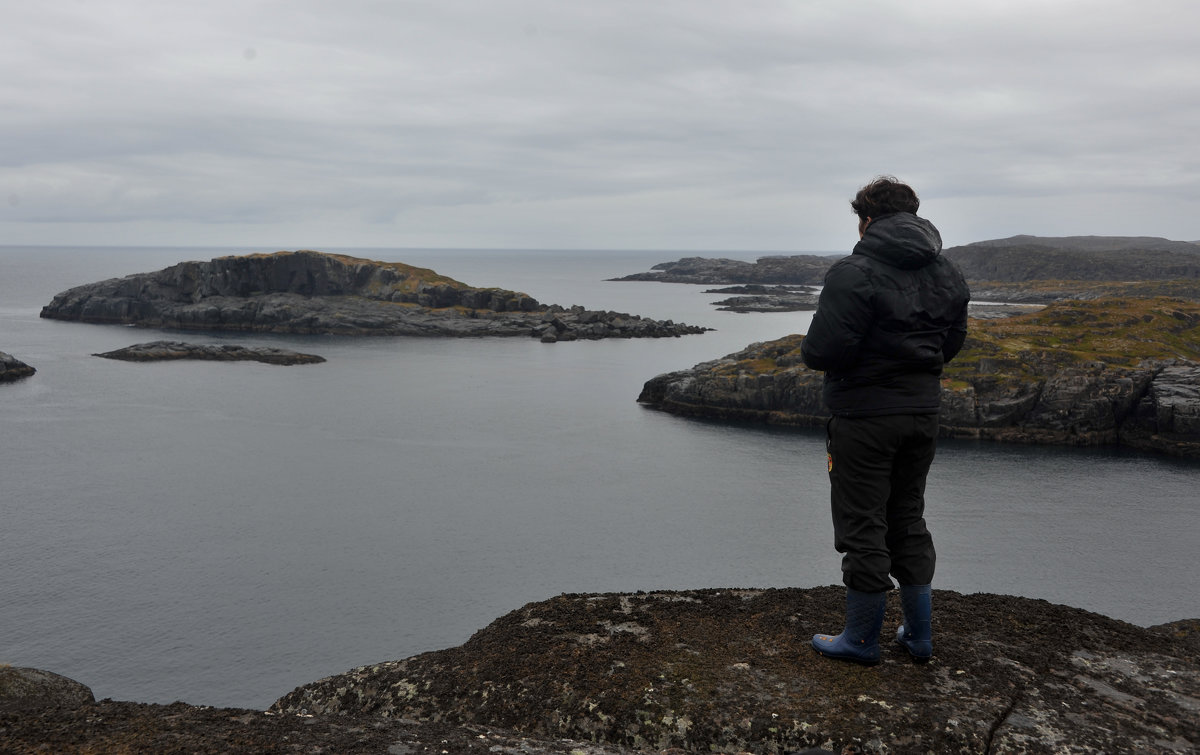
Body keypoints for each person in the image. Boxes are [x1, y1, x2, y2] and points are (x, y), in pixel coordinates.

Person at [800, 176, 970, 665]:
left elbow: (822, 351)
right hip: (922, 413)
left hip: (863, 416)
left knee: (862, 525)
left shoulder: (853, 272)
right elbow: (950, 344)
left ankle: (860, 640)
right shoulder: (948, 272)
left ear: (866, 220)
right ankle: (918, 637)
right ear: (913, 215)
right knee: (907, 517)